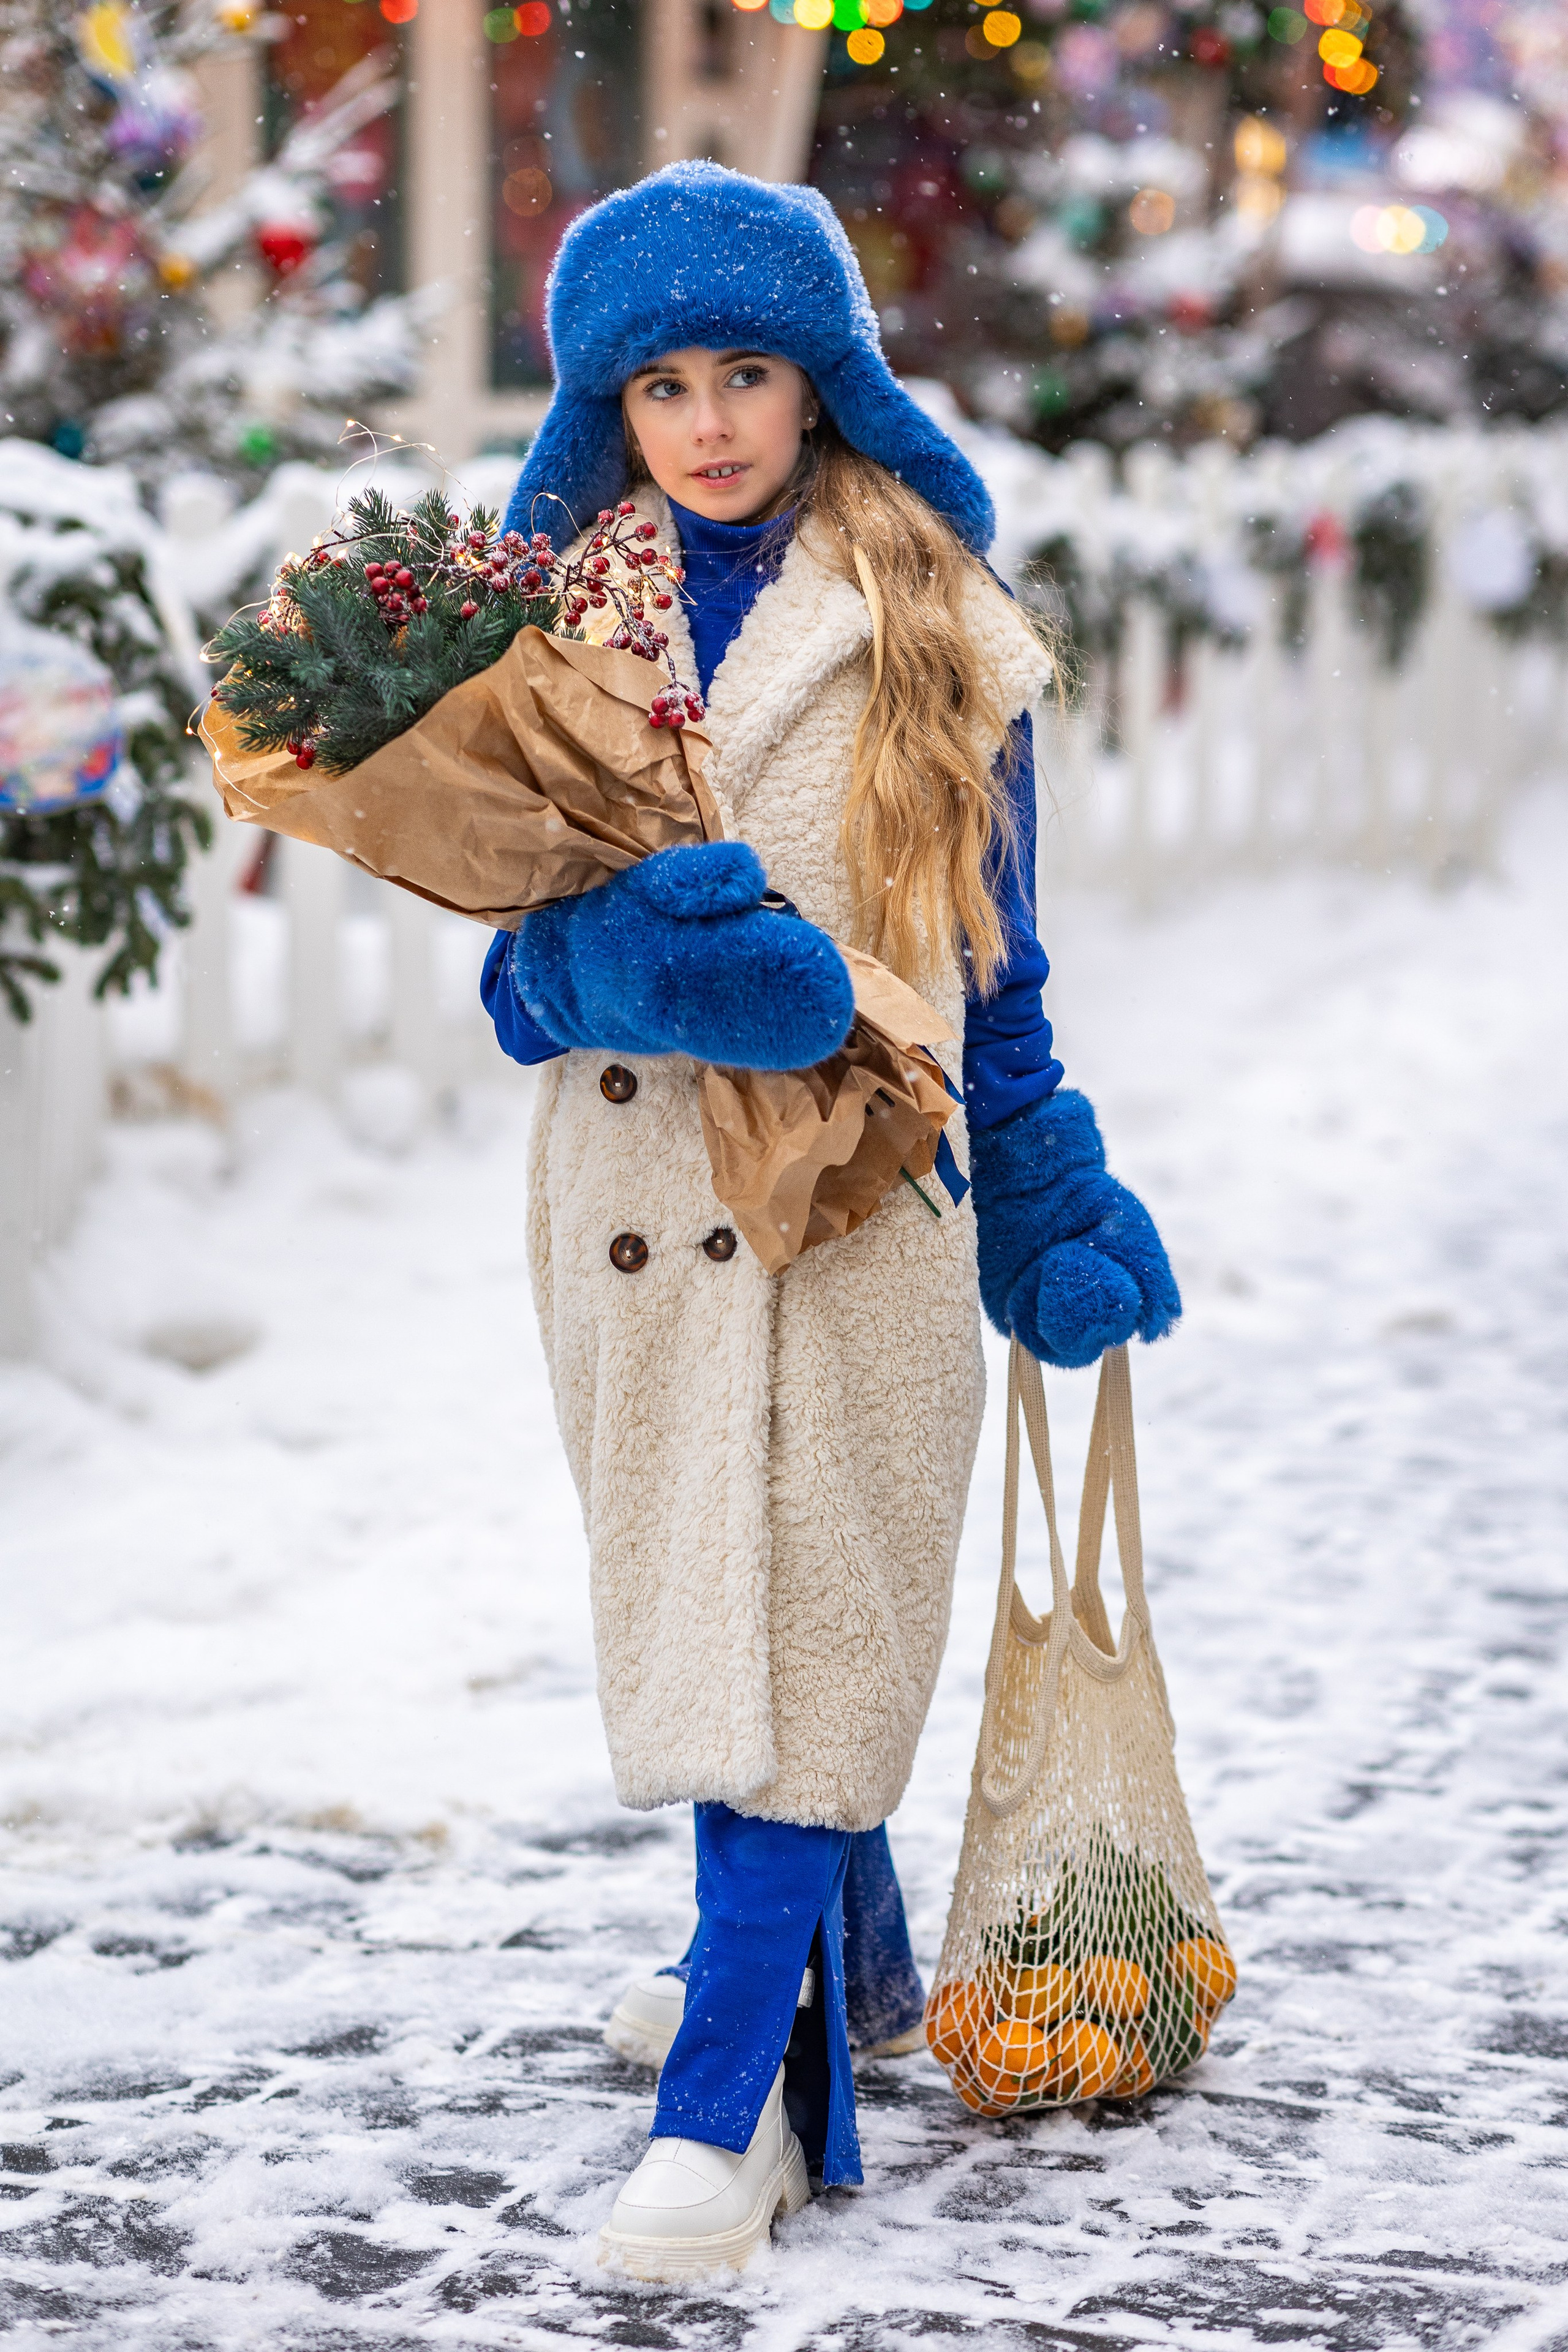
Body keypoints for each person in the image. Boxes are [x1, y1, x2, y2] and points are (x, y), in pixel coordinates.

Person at [480, 163, 1179, 2282]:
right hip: (630, 1211)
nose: (710, 420)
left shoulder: (938, 630)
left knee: (809, 1606)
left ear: (826, 382)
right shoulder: (546, 633)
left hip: (865, 1208)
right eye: (665, 381)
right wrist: (635, 978)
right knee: (727, 1597)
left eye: (752, 372)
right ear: (609, 405)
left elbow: (1007, 959)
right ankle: (828, 1968)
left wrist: (1045, 1189)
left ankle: (735, 2099)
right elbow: (510, 981)